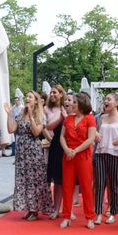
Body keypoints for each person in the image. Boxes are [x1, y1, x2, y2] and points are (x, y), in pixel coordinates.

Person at [4, 91, 54, 220]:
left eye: (30, 97)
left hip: (33, 149)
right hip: (22, 150)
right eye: (27, 97)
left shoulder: (40, 115)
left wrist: (31, 116)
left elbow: (37, 132)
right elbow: (11, 129)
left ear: (36, 101)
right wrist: (9, 114)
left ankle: (35, 209)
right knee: (23, 179)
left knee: (34, 179)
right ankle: (29, 208)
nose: (27, 99)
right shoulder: (21, 114)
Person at [59, 92, 97, 229]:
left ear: (81, 104)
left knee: (86, 187)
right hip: (68, 156)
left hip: (83, 156)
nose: (71, 104)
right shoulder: (68, 119)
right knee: (67, 187)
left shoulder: (89, 119)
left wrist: (75, 150)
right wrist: (66, 149)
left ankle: (90, 217)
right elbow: (62, 136)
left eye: (74, 102)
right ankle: (66, 216)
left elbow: (91, 139)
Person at [93, 93, 118, 224]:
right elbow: (94, 131)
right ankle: (98, 213)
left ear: (116, 103)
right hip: (101, 152)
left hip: (116, 153)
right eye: (105, 99)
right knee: (99, 183)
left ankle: (113, 212)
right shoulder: (101, 118)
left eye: (109, 99)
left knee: (114, 184)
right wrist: (96, 134)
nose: (106, 101)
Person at [44, 84, 66, 219]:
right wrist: (61, 118)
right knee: (56, 179)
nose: (52, 95)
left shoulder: (67, 107)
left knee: (65, 180)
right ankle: (55, 208)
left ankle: (64, 207)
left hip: (68, 145)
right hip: (54, 144)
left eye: (55, 92)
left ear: (61, 94)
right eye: (51, 93)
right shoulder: (47, 109)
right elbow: (47, 125)